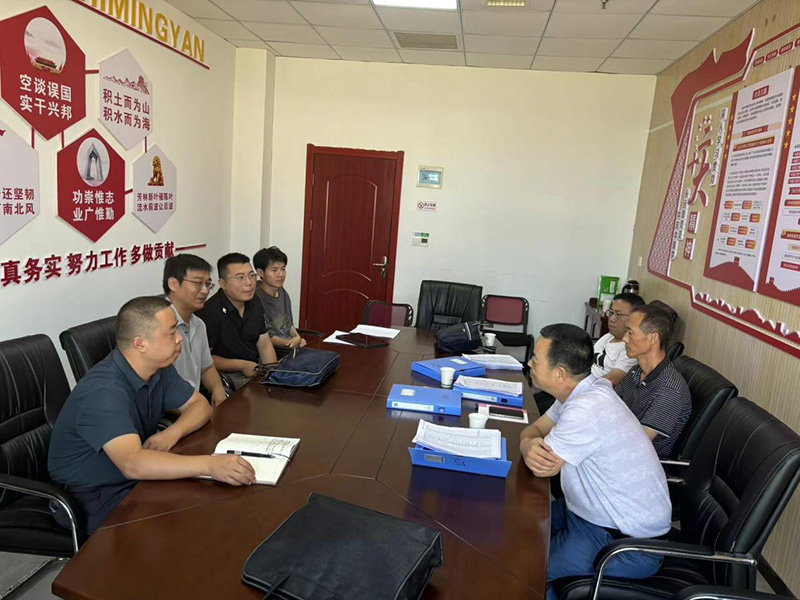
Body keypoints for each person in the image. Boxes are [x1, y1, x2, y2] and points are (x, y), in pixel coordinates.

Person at [48, 297, 256, 535]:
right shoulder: (103, 391)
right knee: (188, 523)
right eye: (171, 332)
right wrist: (209, 465)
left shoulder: (158, 369)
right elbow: (132, 464)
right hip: (92, 496)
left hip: (133, 478)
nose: (180, 338)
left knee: (210, 502)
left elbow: (200, 405)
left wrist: (172, 433)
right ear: (140, 344)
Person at [519, 324, 671, 600]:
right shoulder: (582, 390)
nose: (529, 364)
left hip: (624, 543)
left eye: (535, 360)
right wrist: (527, 443)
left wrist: (529, 445)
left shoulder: (585, 408)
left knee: (528, 570)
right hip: (591, 515)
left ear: (560, 374)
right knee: (521, 525)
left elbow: (542, 466)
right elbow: (535, 430)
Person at [535, 292, 645, 417]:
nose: (612, 319)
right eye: (611, 312)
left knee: (539, 408)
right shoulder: (608, 337)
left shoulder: (629, 350)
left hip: (588, 396)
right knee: (536, 398)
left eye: (618, 314)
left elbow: (612, 380)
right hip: (575, 385)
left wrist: (576, 386)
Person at [617, 304, 692, 459]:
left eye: (630, 332)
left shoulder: (670, 389)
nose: (624, 339)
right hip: (618, 444)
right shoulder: (636, 372)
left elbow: (638, 444)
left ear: (653, 338)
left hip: (639, 461)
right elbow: (611, 404)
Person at [196, 253, 278, 389]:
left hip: (255, 369)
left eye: (252, 276)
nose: (249, 283)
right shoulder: (210, 312)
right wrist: (241, 365)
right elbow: (203, 359)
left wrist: (272, 374)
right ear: (223, 284)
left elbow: (264, 344)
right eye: (240, 278)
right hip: (226, 376)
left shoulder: (255, 302)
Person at [163, 254, 227, 407]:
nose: (205, 291)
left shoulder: (199, 324)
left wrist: (218, 390)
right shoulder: (158, 326)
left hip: (195, 405)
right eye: (197, 283)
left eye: (208, 284)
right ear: (173, 284)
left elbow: (206, 367)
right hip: (171, 411)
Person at [253, 246, 306, 351]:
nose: (281, 274)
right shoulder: (255, 299)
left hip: (290, 347)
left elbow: (289, 324)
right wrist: (294, 343)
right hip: (275, 350)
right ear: (261, 272)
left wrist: (297, 337)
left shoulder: (282, 291)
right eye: (274, 270)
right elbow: (267, 338)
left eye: (283, 269)